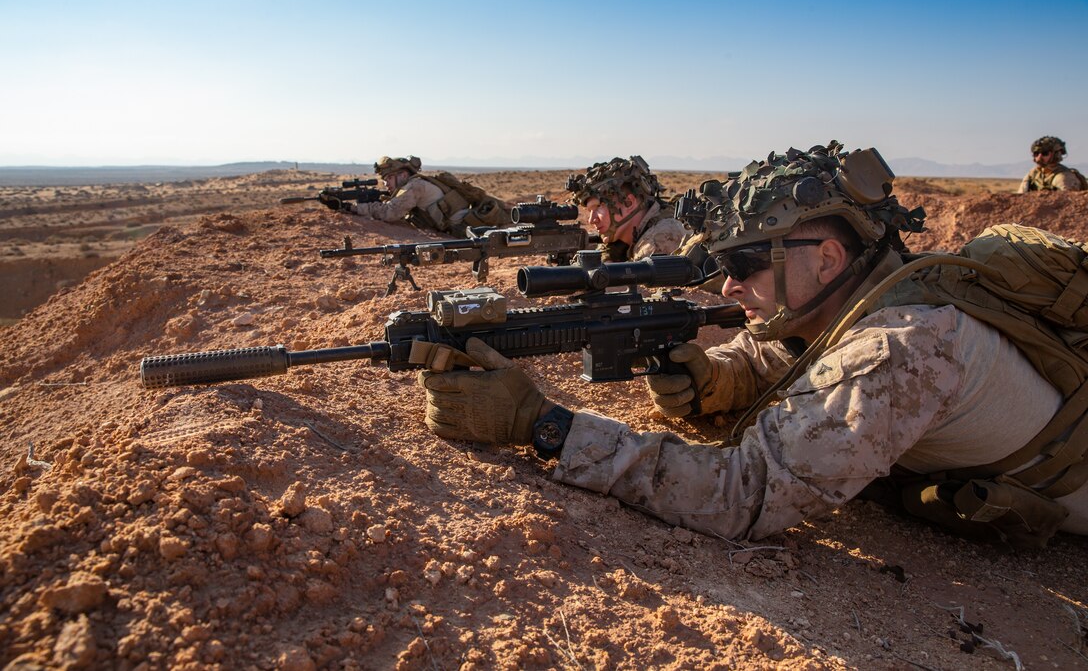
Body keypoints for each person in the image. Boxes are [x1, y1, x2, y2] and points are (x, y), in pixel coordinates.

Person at [418, 141, 1088, 548]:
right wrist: (717, 381)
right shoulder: (882, 292)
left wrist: (544, 426)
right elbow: (795, 354)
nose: (731, 284)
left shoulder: (901, 348)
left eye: (746, 263)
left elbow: (740, 493)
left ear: (828, 258)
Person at [333, 155, 512, 238]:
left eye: (389, 178)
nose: (386, 184)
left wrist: (353, 208)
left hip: (467, 229)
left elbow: (390, 213)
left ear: (403, 175)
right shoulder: (417, 184)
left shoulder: (414, 186)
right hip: (465, 227)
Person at [565, 156, 688, 261]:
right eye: (589, 211)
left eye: (598, 207)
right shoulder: (626, 237)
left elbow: (640, 286)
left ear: (629, 203)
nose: (592, 220)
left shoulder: (660, 238)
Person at [1018, 136, 1087, 192]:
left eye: (1045, 153)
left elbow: (1069, 204)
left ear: (1055, 155)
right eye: (1036, 153)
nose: (1039, 157)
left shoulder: (1064, 177)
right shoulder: (1033, 174)